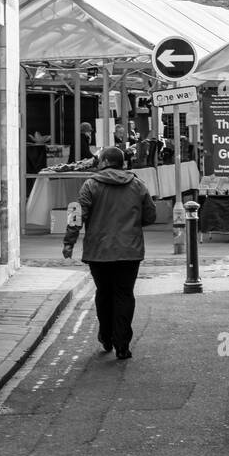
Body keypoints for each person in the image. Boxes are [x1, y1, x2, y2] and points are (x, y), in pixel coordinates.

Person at [62, 145, 157, 360]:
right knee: (124, 294)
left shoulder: (90, 185)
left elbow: (77, 215)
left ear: (104, 162)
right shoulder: (138, 185)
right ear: (122, 163)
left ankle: (106, 336)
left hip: (99, 252)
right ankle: (122, 344)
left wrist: (69, 242)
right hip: (129, 250)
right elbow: (150, 216)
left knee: (104, 293)